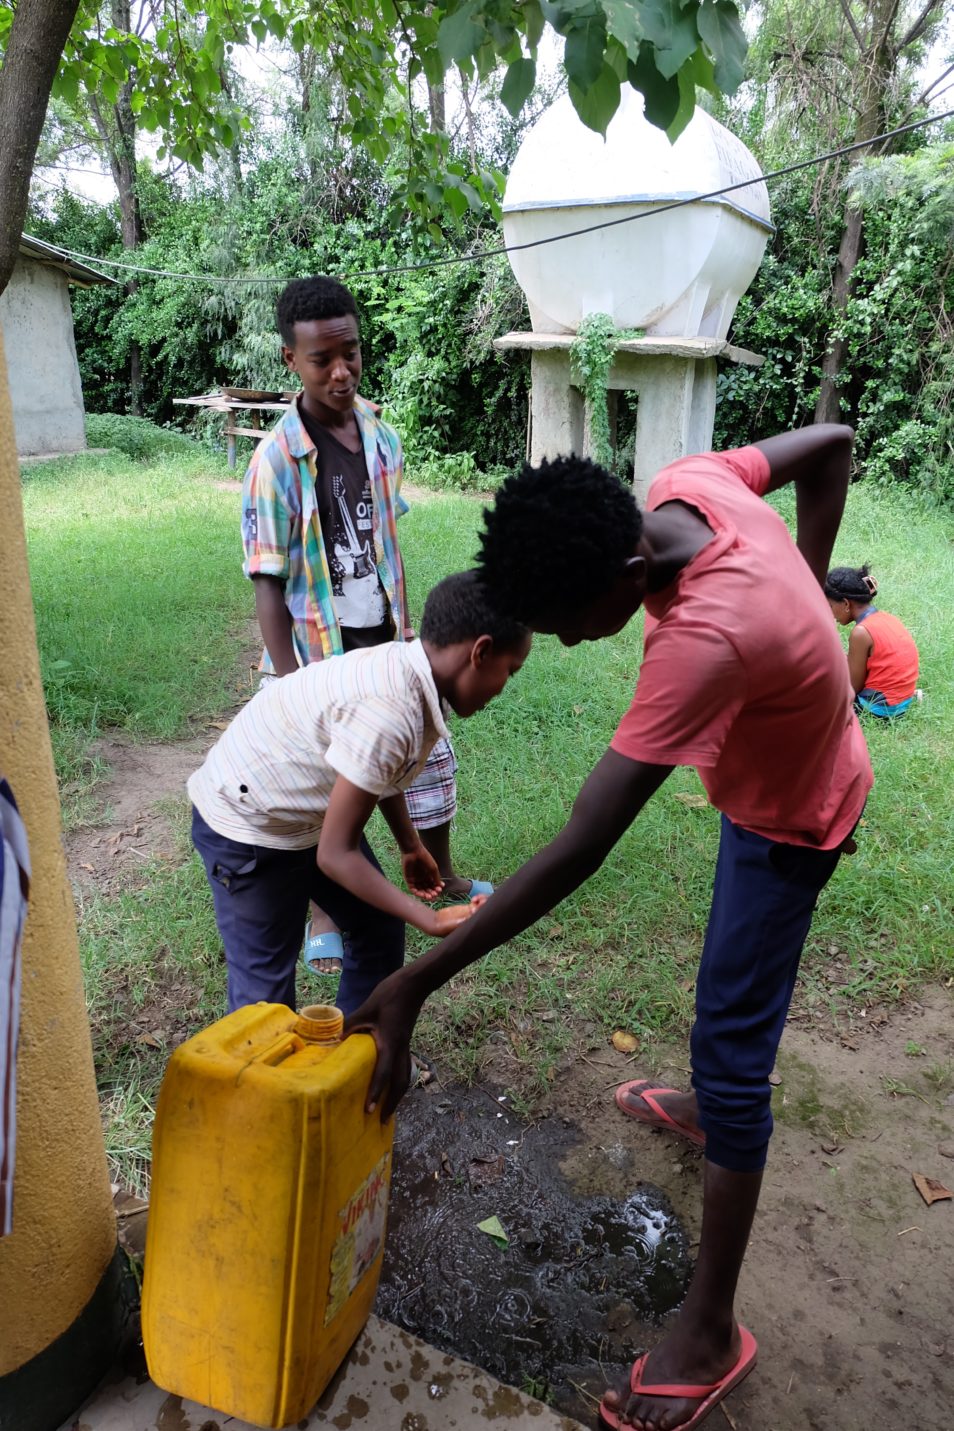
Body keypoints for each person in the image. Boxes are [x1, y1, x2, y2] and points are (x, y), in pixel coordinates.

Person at [343, 427, 873, 1431]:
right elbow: (832, 444)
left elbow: (580, 847)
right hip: (768, 770)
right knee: (726, 994)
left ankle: (710, 1328)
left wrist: (416, 981)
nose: (580, 644)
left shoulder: (706, 640)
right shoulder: (691, 485)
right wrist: (804, 590)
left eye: (578, 625)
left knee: (732, 1041)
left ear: (631, 568)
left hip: (795, 812)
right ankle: (712, 1106)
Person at [242, 275, 491, 978]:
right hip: (314, 665)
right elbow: (267, 580)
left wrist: (403, 629)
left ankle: (438, 871)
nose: (341, 370)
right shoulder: (274, 460)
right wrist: (293, 688)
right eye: (322, 359)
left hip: (387, 643)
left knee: (428, 760)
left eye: (350, 352)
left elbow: (384, 540)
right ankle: (327, 915)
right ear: (291, 359)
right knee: (331, 792)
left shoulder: (380, 435)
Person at [188, 571, 530, 1019]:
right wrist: (427, 918)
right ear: (480, 652)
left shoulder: (408, 670)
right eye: (510, 671)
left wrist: (410, 845)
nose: (505, 687)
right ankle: (263, 1085)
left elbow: (372, 768)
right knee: (264, 1001)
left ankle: (354, 1056)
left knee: (377, 925)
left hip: (305, 812)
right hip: (249, 826)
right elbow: (335, 854)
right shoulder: (391, 710)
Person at [825, 563, 919, 718]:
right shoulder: (887, 618)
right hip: (902, 700)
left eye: (830, 606)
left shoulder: (861, 632)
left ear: (846, 603)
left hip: (880, 709)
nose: (830, 613)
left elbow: (852, 688)